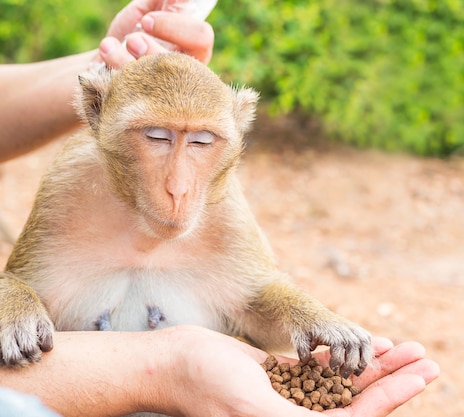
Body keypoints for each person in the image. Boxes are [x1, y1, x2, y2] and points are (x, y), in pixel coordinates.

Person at [0, 1, 439, 416]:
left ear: (237, 126)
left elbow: (259, 299)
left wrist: (312, 319)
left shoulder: (224, 203)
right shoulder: (73, 186)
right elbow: (17, 287)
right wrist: (13, 300)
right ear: (94, 110)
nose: (178, 185)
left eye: (203, 142)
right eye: (154, 138)